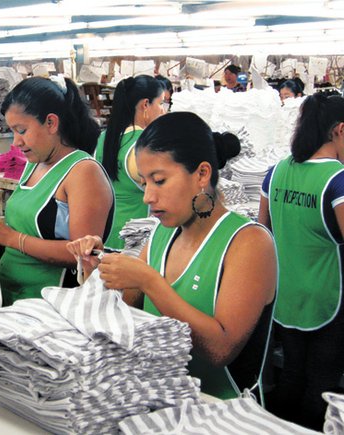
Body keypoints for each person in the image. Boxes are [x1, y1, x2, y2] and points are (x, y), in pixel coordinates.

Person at [68, 112, 276, 401]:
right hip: (161, 397)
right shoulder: (163, 234)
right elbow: (128, 308)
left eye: (160, 181)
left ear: (202, 174)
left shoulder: (249, 242)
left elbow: (219, 350)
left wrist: (150, 281)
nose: (148, 197)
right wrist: (96, 271)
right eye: (144, 183)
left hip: (219, 408)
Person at [0, 76, 114, 306]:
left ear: (51, 123)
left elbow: (83, 255)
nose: (16, 142)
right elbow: (25, 227)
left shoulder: (83, 172)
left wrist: (8, 237)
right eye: (12, 131)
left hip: (50, 304)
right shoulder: (34, 164)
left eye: (22, 130)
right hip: (10, 294)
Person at [258, 94, 344, 430]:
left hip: (286, 294)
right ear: (339, 130)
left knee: (292, 372)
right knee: (321, 382)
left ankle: (273, 427)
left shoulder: (275, 172)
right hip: (328, 298)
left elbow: (262, 233)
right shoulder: (336, 180)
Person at [94, 75, 165, 249]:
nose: (163, 110)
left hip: (105, 230)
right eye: (161, 103)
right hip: (135, 236)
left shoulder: (105, 138)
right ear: (145, 105)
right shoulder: (144, 144)